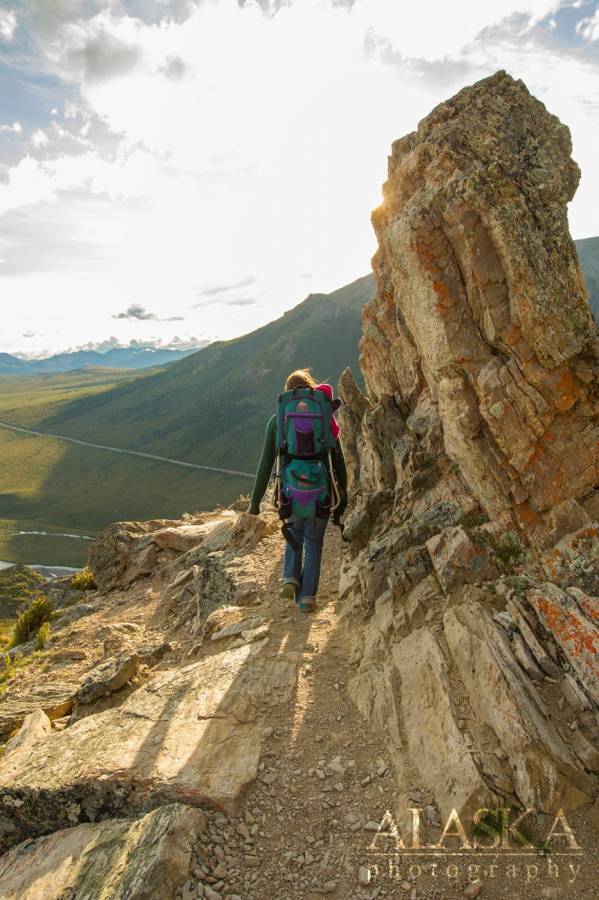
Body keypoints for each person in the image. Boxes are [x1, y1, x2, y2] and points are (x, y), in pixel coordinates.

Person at [248, 368, 347, 612]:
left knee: (294, 535)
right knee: (314, 543)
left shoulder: (279, 420)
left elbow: (265, 464)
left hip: (291, 491)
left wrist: (255, 502)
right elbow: (339, 459)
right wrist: (342, 494)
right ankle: (307, 599)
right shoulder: (324, 417)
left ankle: (290, 577)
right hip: (322, 491)